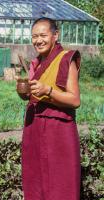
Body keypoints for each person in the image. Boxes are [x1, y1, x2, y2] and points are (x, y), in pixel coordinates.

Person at [21, 18, 81, 200]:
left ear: (55, 35)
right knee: (35, 181)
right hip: (35, 128)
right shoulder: (36, 62)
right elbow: (37, 95)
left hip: (58, 130)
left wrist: (47, 91)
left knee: (61, 183)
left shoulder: (65, 59)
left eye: (43, 35)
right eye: (34, 37)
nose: (38, 40)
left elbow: (74, 100)